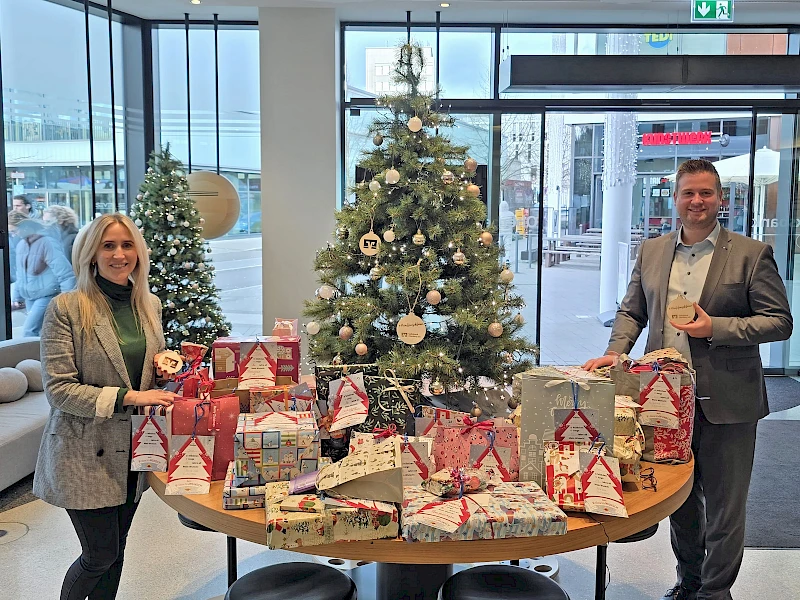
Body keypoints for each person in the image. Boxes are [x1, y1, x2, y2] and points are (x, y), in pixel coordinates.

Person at [583, 159, 792, 600]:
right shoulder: (653, 250)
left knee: (725, 506)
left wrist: (715, 327)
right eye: (688, 193)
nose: (697, 201)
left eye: (706, 193)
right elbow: (631, 310)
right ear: (675, 199)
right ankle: (689, 582)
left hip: (729, 400)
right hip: (663, 402)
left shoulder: (752, 254)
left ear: (720, 198)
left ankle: (715, 593)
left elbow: (778, 322)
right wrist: (613, 353)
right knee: (679, 499)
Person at [32, 213, 180, 600]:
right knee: (99, 554)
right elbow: (60, 390)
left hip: (133, 449)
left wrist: (163, 374)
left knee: (117, 554)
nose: (119, 254)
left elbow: (143, 375)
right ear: (90, 253)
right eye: (108, 245)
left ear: (139, 252)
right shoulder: (67, 308)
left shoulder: (148, 304)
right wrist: (131, 397)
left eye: (127, 244)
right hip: (83, 451)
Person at [12, 218, 76, 337]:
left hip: (47, 295)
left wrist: (68, 299)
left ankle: (30, 355)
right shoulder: (21, 245)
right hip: (29, 296)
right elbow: (20, 273)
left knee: (29, 331)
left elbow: (64, 271)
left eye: (19, 230)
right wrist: (17, 296)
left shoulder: (48, 243)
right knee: (42, 331)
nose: (16, 233)